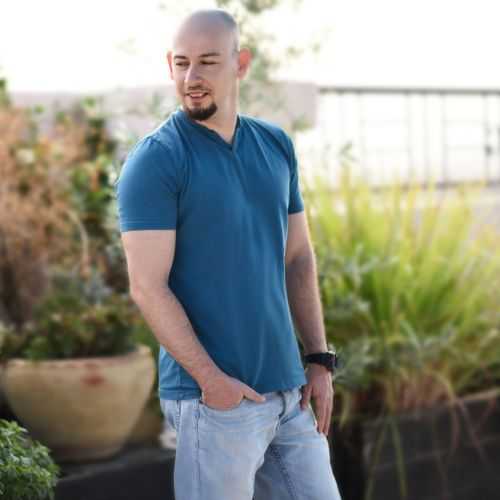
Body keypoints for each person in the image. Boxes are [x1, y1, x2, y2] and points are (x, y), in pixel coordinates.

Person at [114, 8, 342, 500]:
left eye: (208, 62)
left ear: (240, 64)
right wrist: (211, 381)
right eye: (181, 64)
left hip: (290, 393)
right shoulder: (157, 160)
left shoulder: (275, 145)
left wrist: (319, 359)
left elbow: (298, 256)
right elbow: (147, 286)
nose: (191, 78)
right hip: (214, 401)